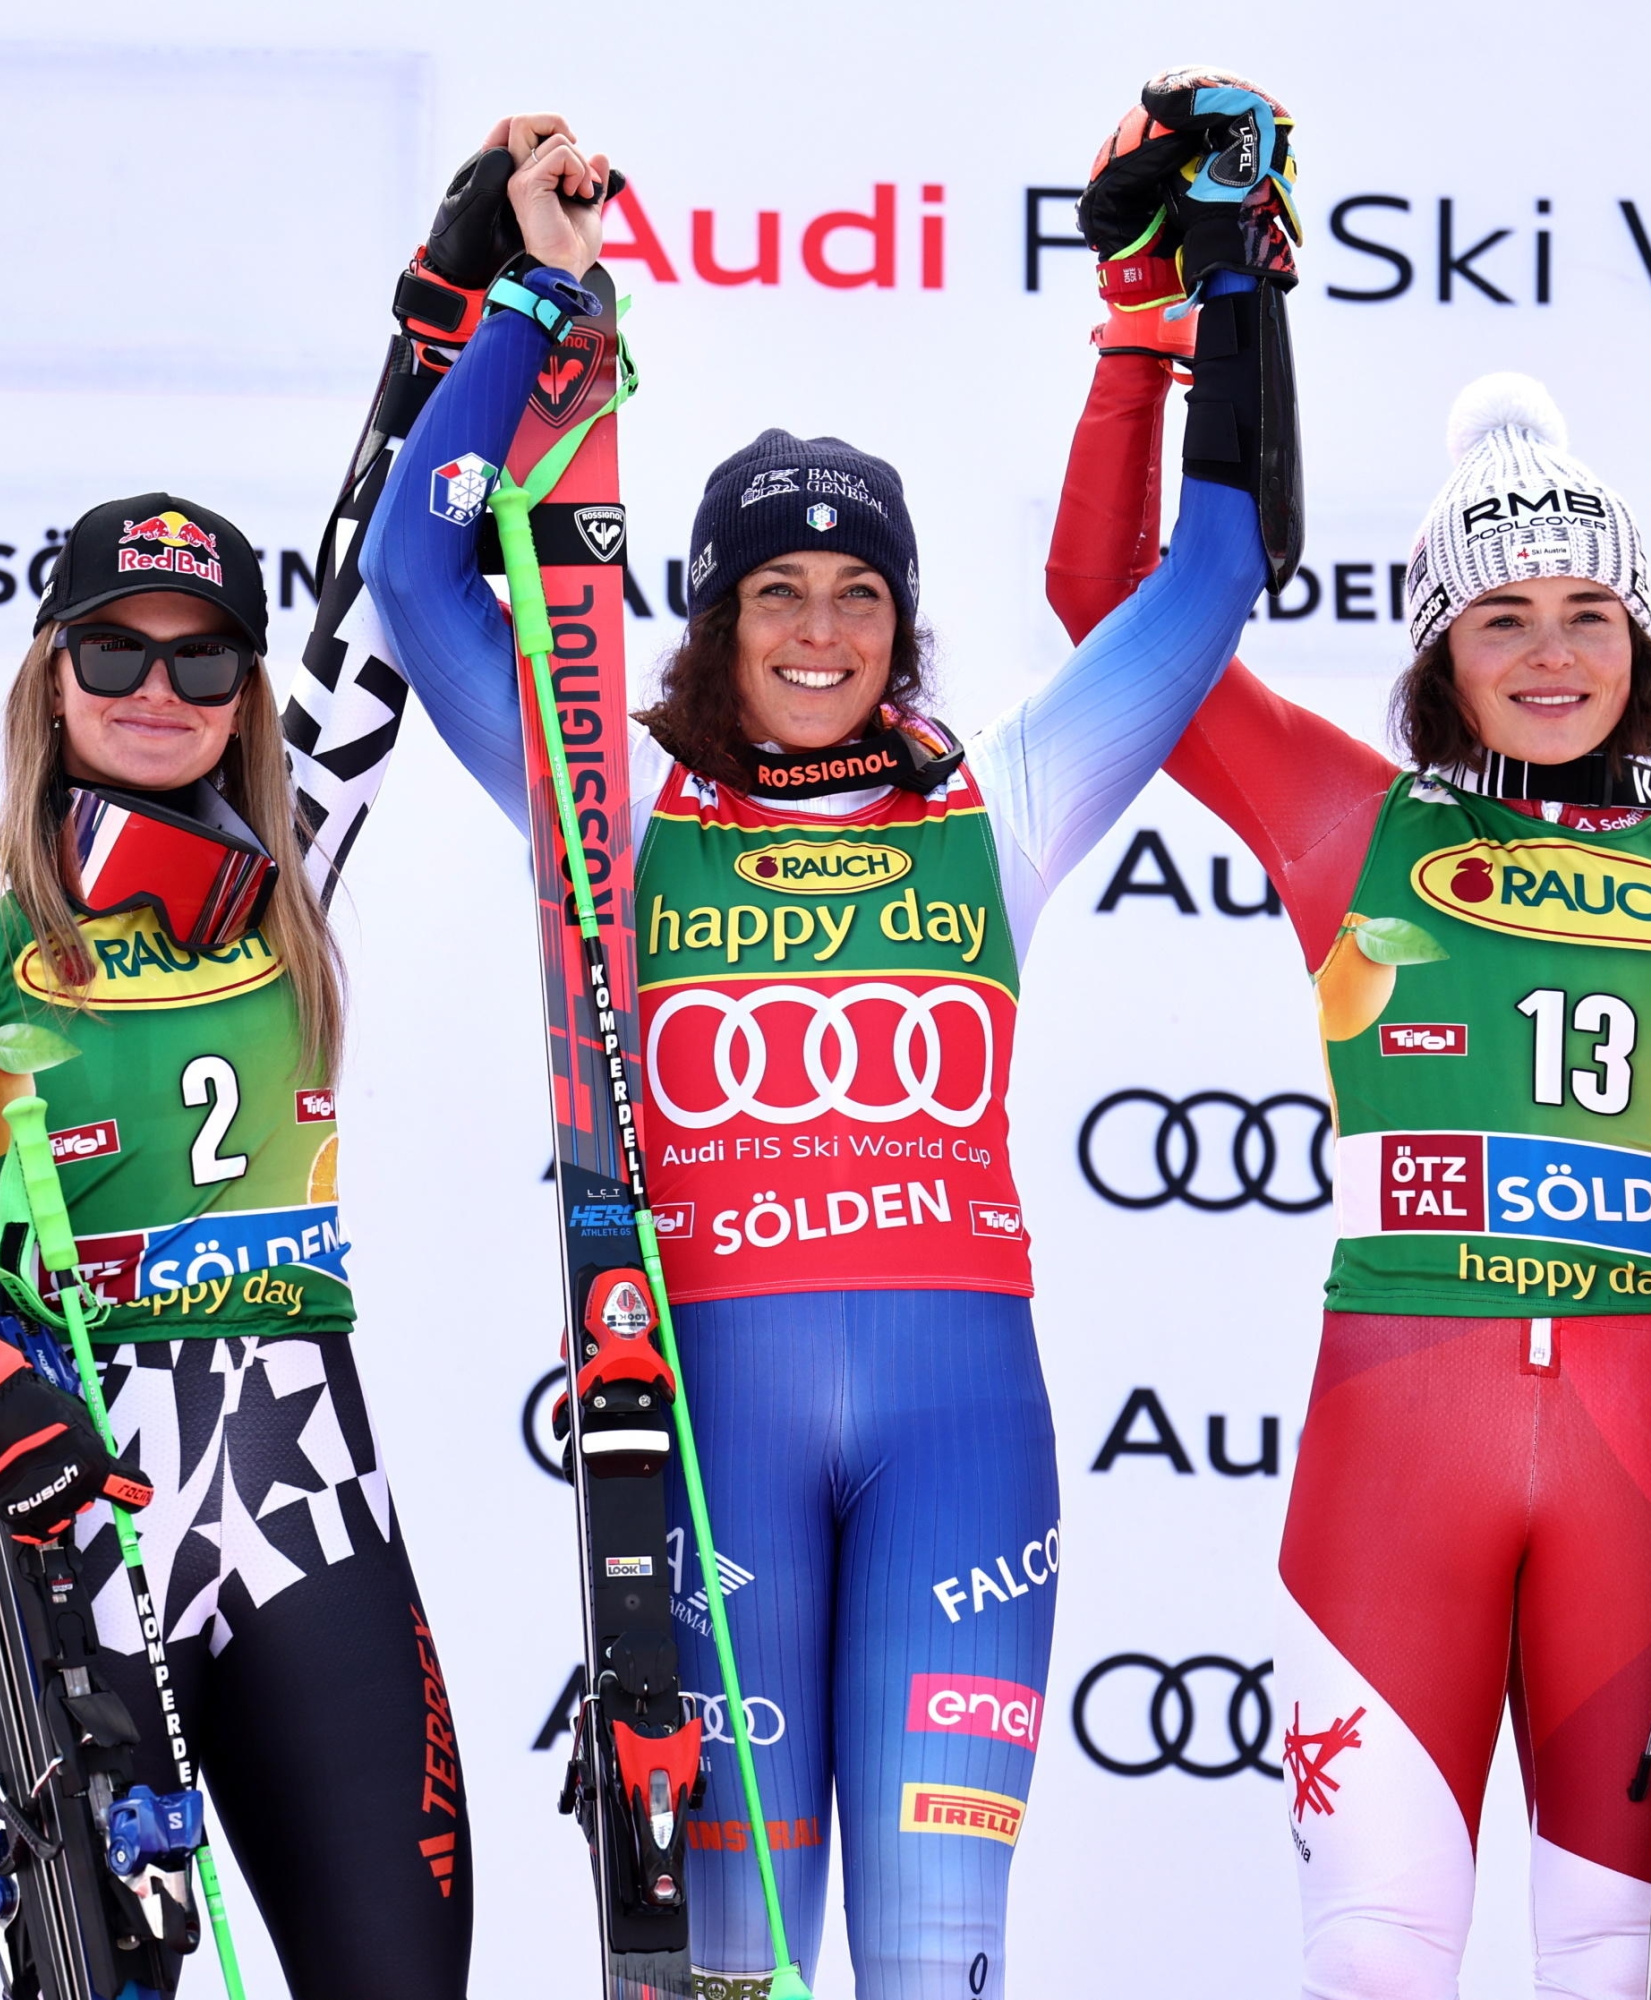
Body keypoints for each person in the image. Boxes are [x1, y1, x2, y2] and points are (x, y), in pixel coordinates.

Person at [361, 86, 1294, 1997]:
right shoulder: (609, 792)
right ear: (703, 614)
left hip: (965, 1442)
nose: (816, 629)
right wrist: (516, 304)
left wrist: (1219, 278)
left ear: (900, 620)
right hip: (714, 1443)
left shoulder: (1000, 797)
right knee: (726, 1970)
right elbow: (411, 578)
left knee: (939, 1967)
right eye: (771, 590)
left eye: (856, 592)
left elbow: (1210, 580)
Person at [1049, 104, 1651, 1994]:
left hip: (1636, 1469)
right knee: (1372, 1964)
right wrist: (1145, 331)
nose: (1548, 653)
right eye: (1500, 619)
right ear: (1438, 654)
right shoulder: (1354, 823)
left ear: (1642, 642)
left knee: (1615, 1971)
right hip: (1394, 1477)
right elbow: (1103, 621)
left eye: (1586, 615)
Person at [0, 497, 473, 1998]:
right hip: (81, 1517)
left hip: (312, 1508)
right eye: (114, 653)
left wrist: (471, 309)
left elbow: (389, 581)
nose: (158, 694)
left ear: (244, 702)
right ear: (49, 677)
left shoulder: (284, 882)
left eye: (205, 665)